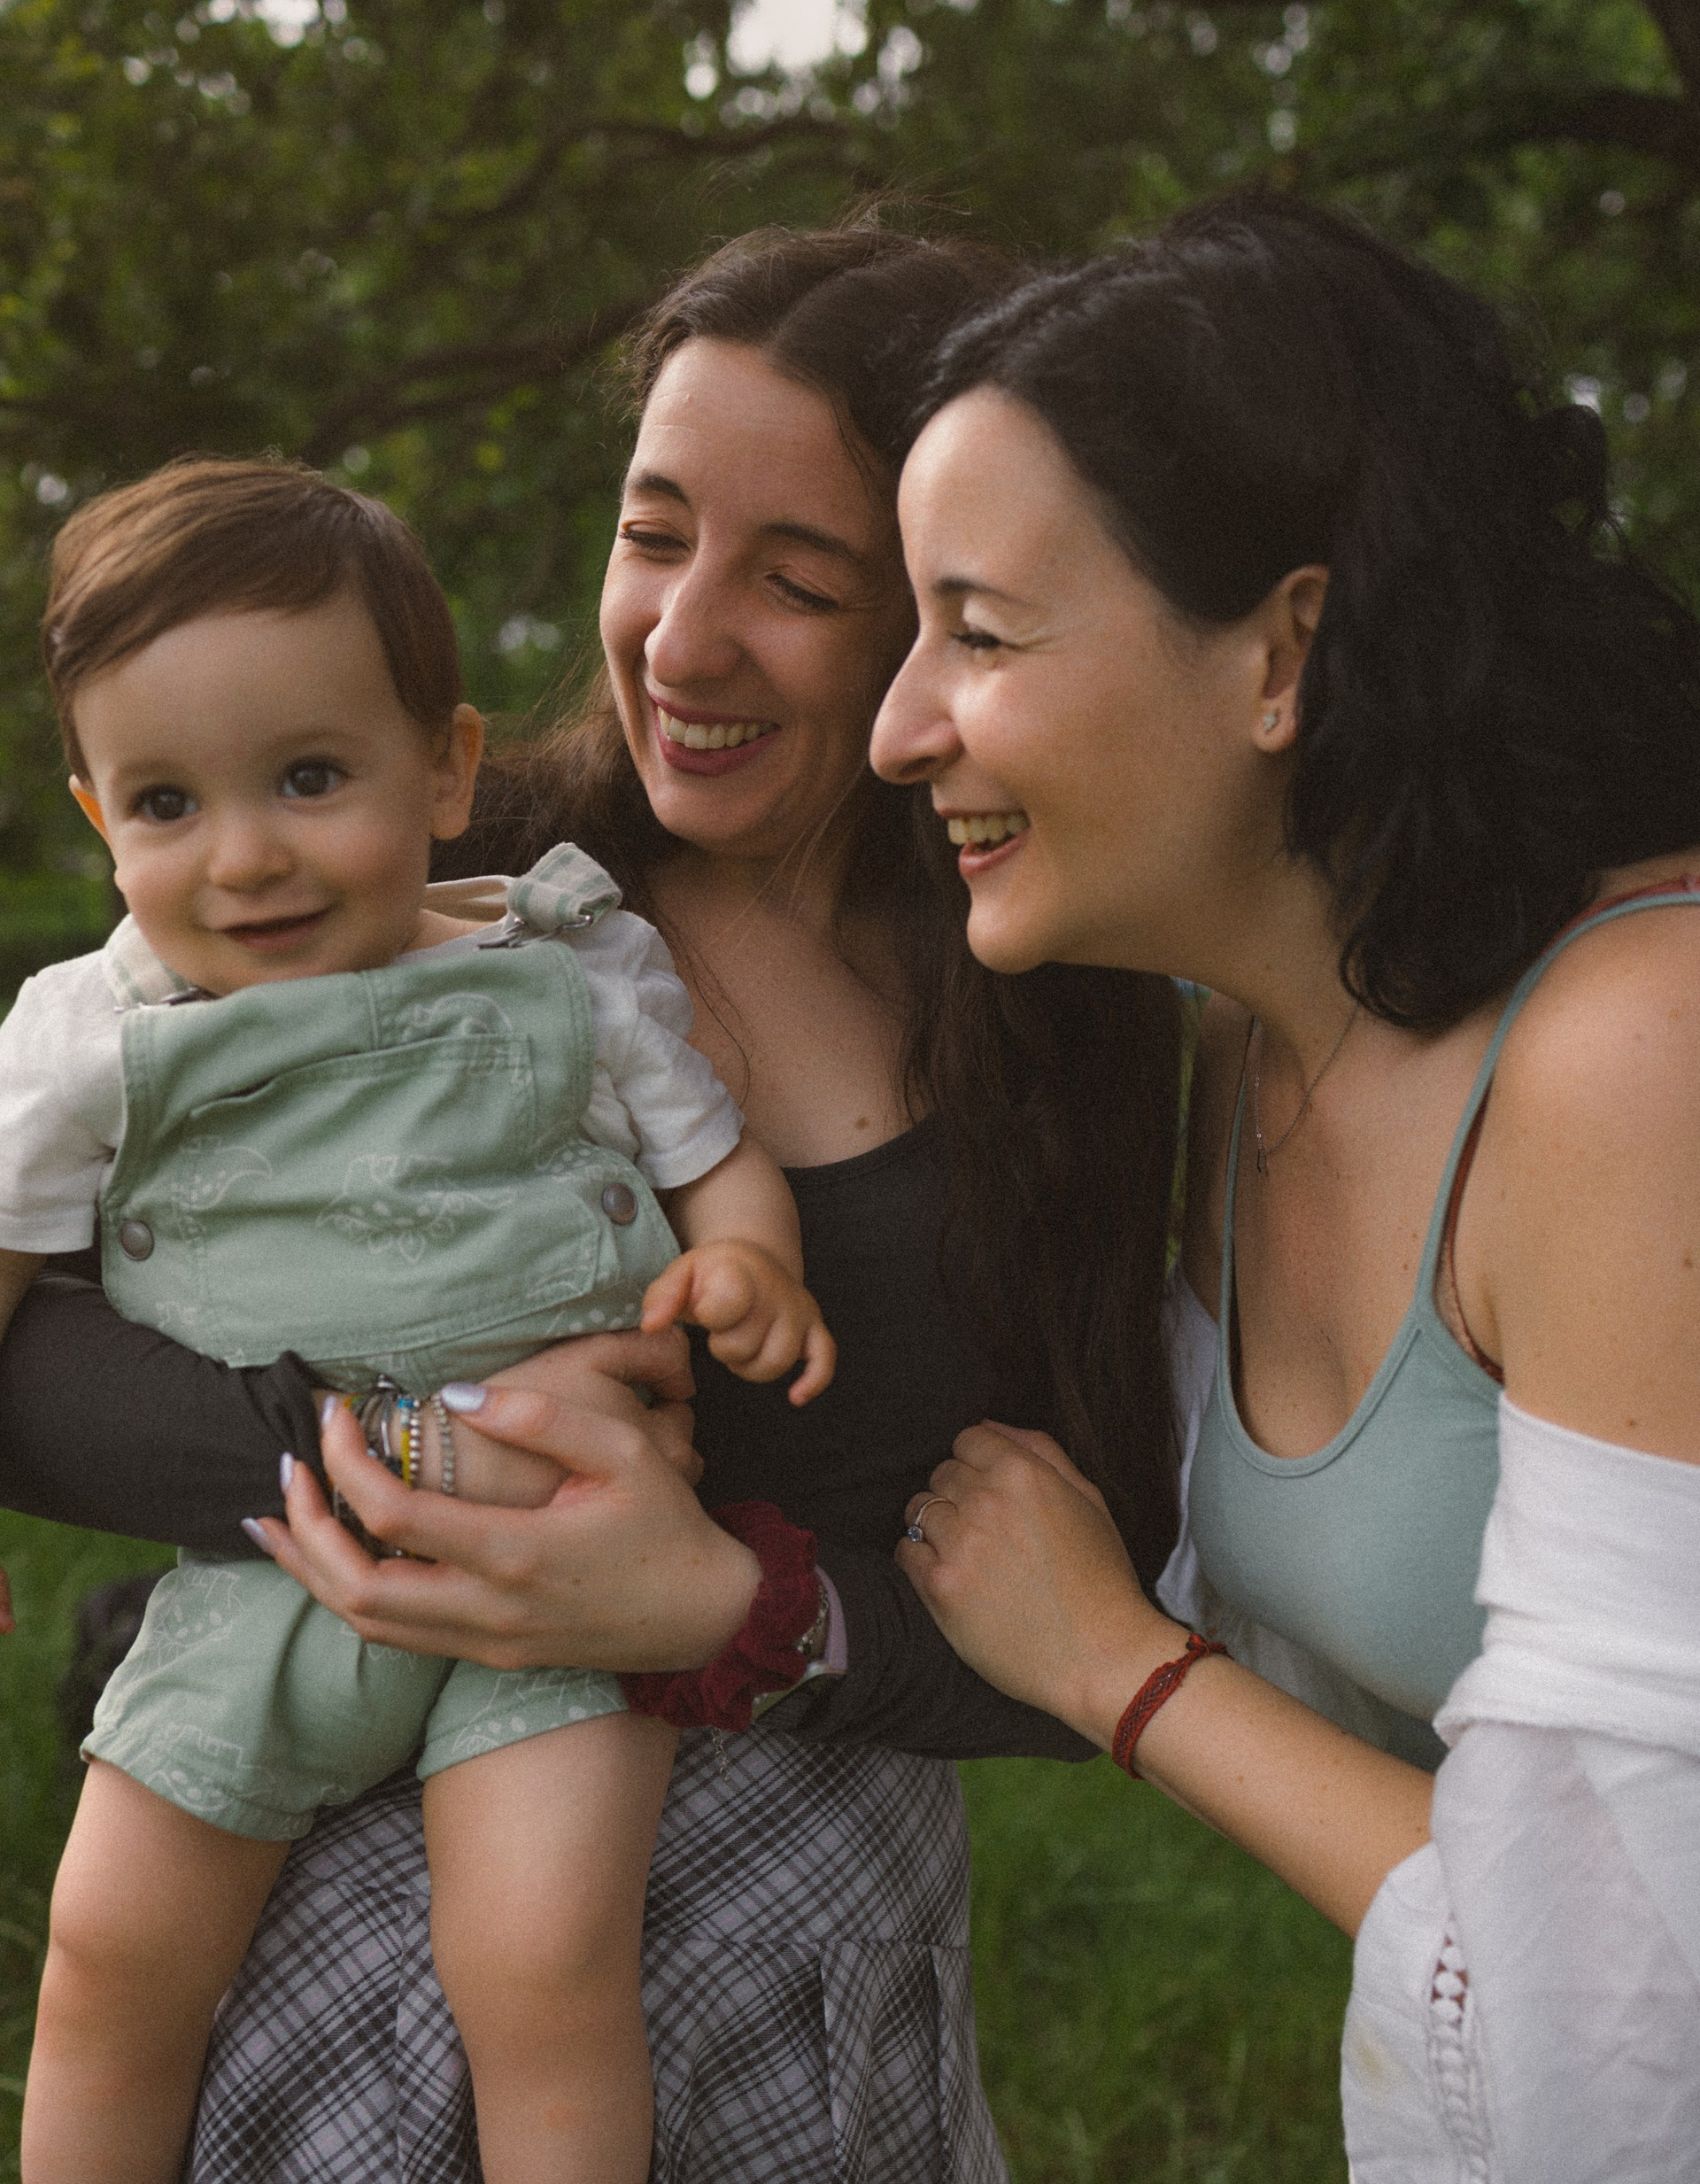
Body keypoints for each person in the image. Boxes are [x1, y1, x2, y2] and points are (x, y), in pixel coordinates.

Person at [0, 226, 1185, 2181]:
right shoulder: (421, 876)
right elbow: (45, 1346)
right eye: (653, 536)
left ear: (942, 610)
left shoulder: (1048, 1005)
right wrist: (405, 1458)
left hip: (791, 1931)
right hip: (335, 1881)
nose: (682, 638)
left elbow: (1097, 1598)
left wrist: (742, 1602)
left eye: (799, 581)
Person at [867, 189, 1700, 2181]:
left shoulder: (1635, 1058)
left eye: (976, 632)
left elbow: (1609, 2018)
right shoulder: (1238, 1045)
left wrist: (1119, 1669)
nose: (900, 727)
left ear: (1283, 652)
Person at [6, 456, 833, 2184]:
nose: (245, 856)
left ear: (447, 770)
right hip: (266, 1570)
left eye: (311, 777)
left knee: (540, 1967)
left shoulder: (570, 968)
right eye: (165, 802)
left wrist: (748, 1267)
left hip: (564, 1575)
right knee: (109, 1957)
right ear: (98, 816)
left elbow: (717, 1160)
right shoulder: (97, 1034)